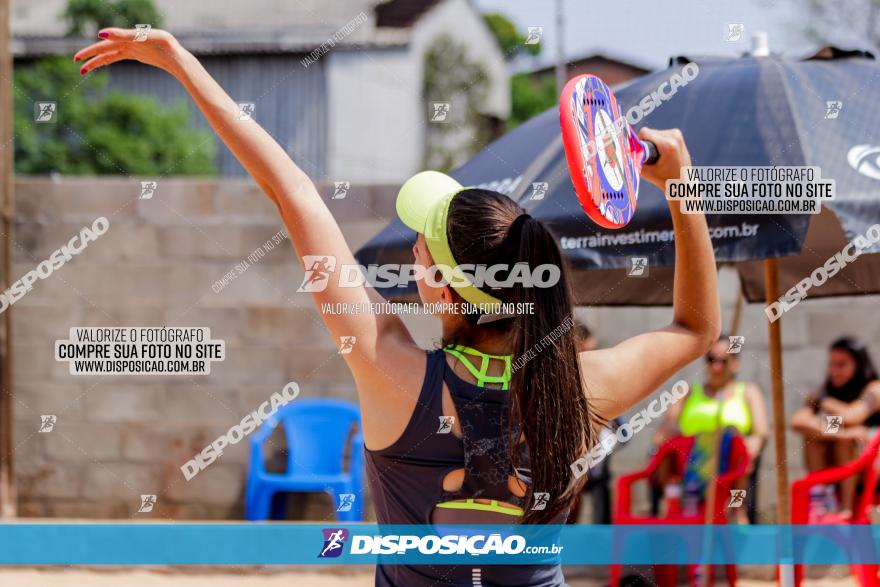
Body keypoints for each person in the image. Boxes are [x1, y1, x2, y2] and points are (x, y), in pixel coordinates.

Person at [74, 29, 721, 586]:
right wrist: (683, 184)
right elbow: (696, 327)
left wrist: (180, 62)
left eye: (421, 242)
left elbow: (290, 188)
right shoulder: (585, 386)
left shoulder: (388, 364)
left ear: (441, 286)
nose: (411, 249)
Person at [653, 335, 768, 523]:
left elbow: (761, 433)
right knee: (665, 452)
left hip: (731, 466)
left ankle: (736, 509)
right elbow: (662, 434)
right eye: (711, 360)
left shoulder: (748, 392)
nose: (716, 367)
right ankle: (672, 507)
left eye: (723, 361)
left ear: (735, 364)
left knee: (738, 448)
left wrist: (749, 445)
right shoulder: (688, 393)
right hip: (691, 463)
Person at [791, 336, 880, 514]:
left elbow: (851, 416)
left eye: (841, 365)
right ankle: (822, 498)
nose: (834, 371)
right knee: (815, 437)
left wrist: (823, 401)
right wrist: (840, 433)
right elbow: (797, 421)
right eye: (831, 364)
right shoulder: (824, 392)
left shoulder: (874, 389)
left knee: (843, 440)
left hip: (870, 471)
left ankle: (846, 508)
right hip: (834, 470)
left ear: (859, 365)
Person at [566, 321, 618, 524]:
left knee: (597, 492)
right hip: (572, 458)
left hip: (595, 458)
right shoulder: (562, 372)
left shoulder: (596, 371)